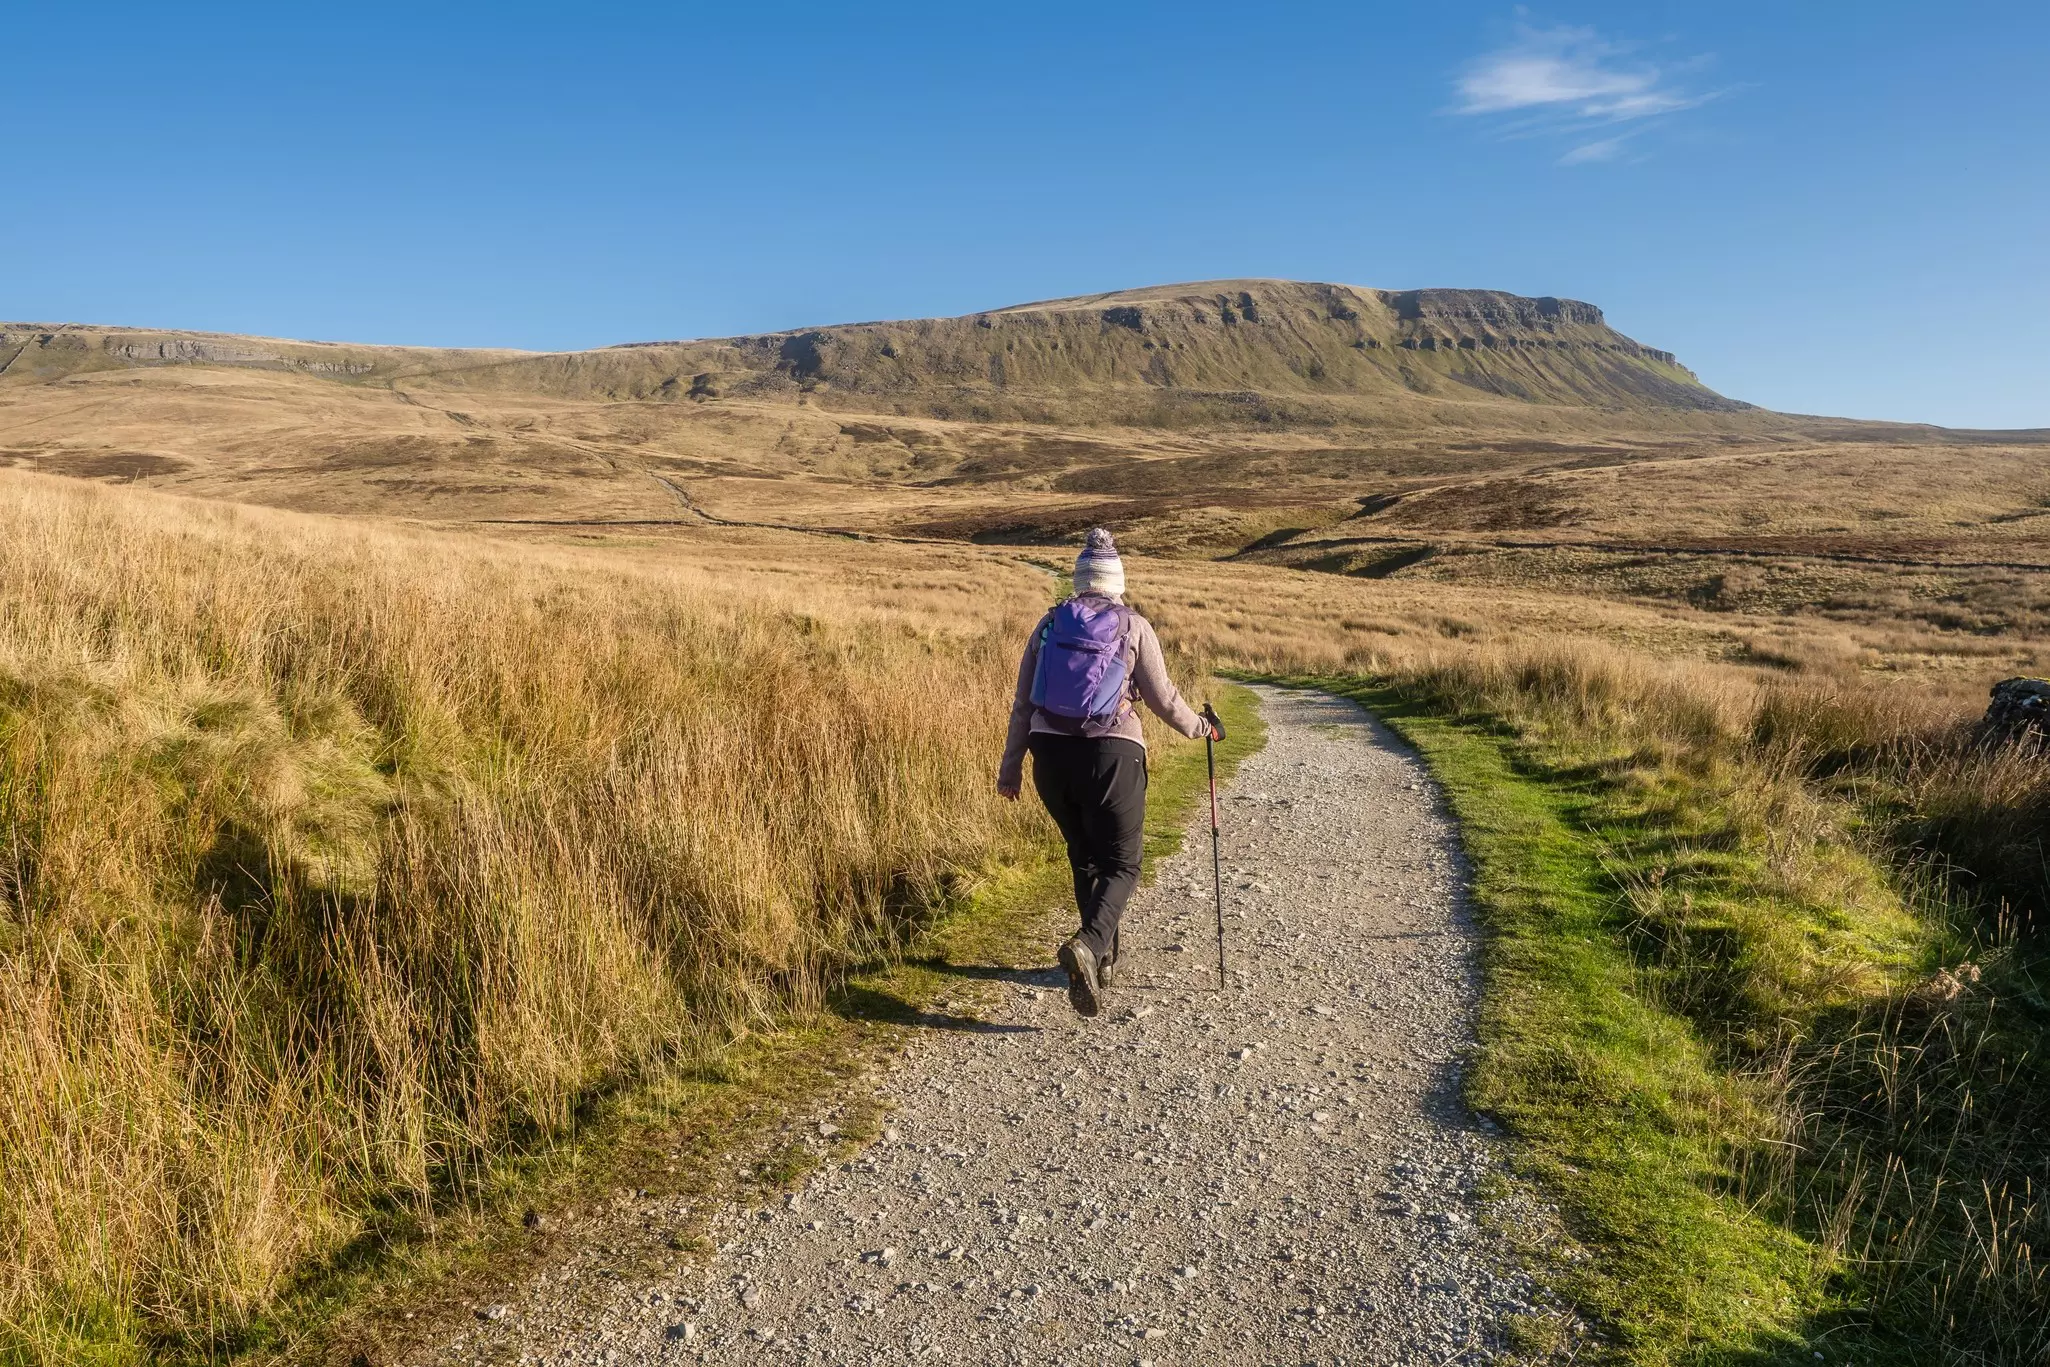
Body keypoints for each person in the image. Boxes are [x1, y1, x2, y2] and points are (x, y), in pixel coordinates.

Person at [997, 528, 1217, 1018]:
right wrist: (1202, 729)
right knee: (1124, 863)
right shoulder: (1133, 626)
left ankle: (1102, 960)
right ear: (1117, 582)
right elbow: (1163, 700)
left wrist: (1010, 769)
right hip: (1112, 753)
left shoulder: (1049, 625)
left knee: (1084, 856)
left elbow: (1021, 705)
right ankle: (1089, 944)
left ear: (1078, 580)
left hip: (1048, 755)